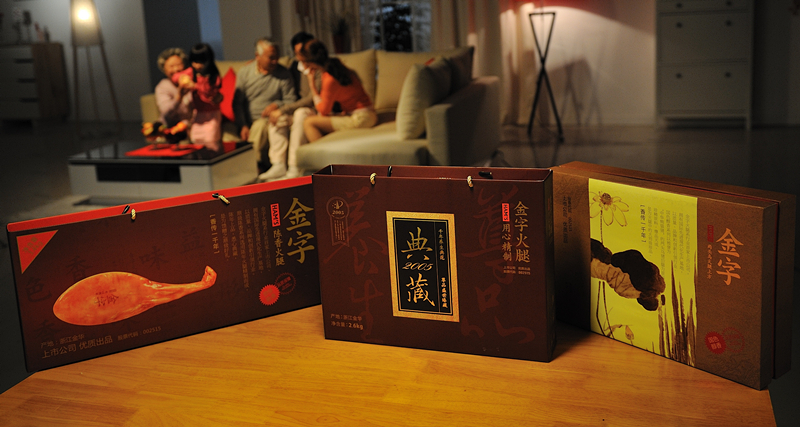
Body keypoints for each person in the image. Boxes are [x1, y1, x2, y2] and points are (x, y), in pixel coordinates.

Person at [232, 37, 297, 178]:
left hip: (269, 120)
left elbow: (291, 100)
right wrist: (242, 125)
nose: (275, 61)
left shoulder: (283, 74)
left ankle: (250, 169)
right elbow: (237, 103)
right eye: (271, 57)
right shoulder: (245, 73)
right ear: (258, 56)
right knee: (256, 127)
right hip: (249, 121)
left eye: (277, 57)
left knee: (260, 126)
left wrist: (277, 104)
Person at [261, 31, 320, 181]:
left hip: (312, 109)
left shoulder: (317, 67)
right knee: (277, 118)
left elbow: (311, 99)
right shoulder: (294, 66)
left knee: (300, 113)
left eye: (303, 52)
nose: (300, 56)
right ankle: (278, 164)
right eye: (297, 53)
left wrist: (284, 109)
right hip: (295, 108)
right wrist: (280, 110)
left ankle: (294, 167)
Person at [300, 40, 377, 143]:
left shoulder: (329, 78)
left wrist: (312, 86)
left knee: (309, 122)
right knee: (322, 119)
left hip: (361, 118)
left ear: (309, 62)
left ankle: (321, 152)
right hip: (366, 114)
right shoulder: (336, 65)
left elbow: (324, 110)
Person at [172, 43, 223, 153]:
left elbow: (209, 92)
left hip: (212, 114)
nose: (197, 65)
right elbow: (175, 77)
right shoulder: (192, 72)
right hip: (198, 114)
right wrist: (182, 79)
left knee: (210, 140)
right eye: (194, 62)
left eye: (200, 62)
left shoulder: (213, 76)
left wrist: (195, 86)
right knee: (195, 138)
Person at [154, 47, 192, 128]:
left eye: (179, 65)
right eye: (171, 66)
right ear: (164, 69)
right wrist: (179, 97)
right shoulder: (162, 87)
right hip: (170, 128)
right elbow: (166, 112)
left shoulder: (192, 81)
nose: (176, 69)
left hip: (191, 126)